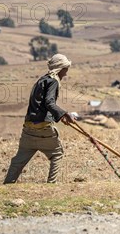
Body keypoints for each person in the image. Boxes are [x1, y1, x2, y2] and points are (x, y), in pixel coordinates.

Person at [4, 54, 76, 184]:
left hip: (29, 128)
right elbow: (49, 103)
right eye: (66, 69)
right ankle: (52, 184)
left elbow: (40, 104)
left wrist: (60, 116)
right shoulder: (53, 81)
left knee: (19, 160)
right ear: (61, 68)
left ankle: (8, 183)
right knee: (57, 154)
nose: (66, 73)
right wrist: (64, 114)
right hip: (44, 128)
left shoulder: (41, 80)